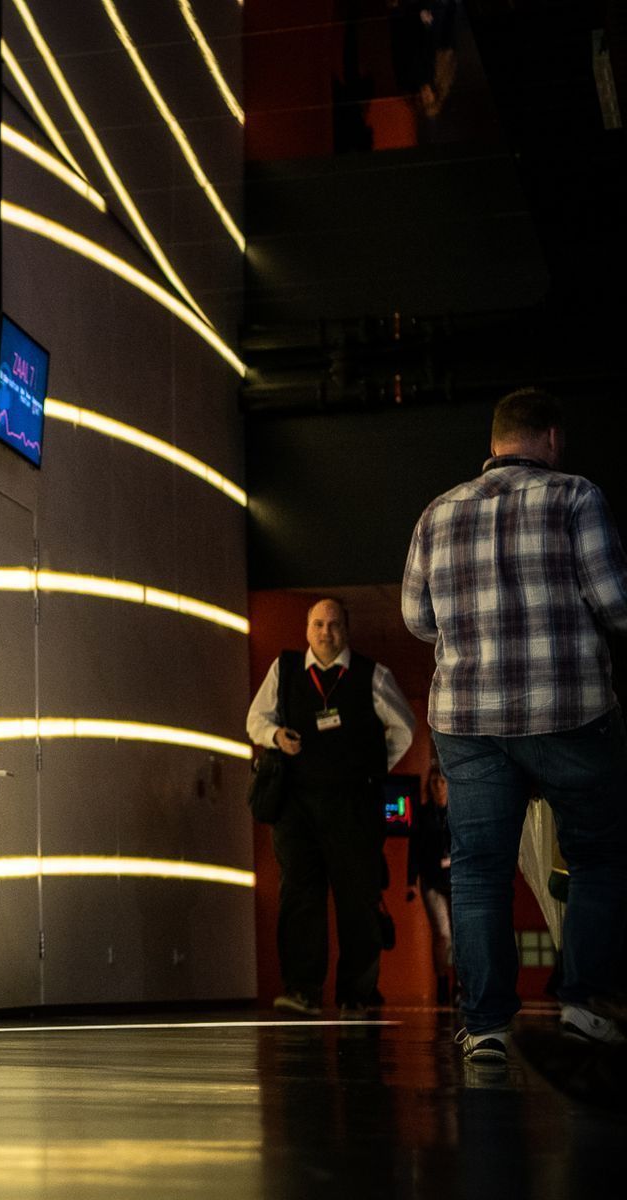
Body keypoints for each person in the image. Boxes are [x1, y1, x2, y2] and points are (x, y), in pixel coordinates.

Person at [402, 387, 627, 1065]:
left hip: (468, 720)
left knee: (478, 871)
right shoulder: (575, 496)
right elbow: (615, 602)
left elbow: (416, 620)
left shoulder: (437, 512)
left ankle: (487, 1029)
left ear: (495, 441)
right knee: (599, 856)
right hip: (568, 712)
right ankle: (584, 1006)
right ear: (551, 438)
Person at [246, 597, 416, 1016]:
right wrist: (275, 737)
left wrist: (373, 764)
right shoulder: (284, 669)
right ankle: (302, 990)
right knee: (299, 897)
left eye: (334, 624)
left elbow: (405, 727)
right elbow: (255, 720)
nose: (326, 632)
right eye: (319, 624)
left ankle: (355, 996)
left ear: (346, 630)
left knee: (357, 900)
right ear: (307, 629)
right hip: (297, 804)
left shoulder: (372, 674)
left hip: (353, 805)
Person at [406, 768, 454, 1004]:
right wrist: (411, 882)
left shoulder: (457, 811)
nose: (439, 786)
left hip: (456, 880)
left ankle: (462, 986)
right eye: (434, 782)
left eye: (442, 781)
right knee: (442, 934)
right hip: (432, 880)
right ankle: (442, 982)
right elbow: (414, 849)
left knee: (462, 936)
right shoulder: (423, 814)